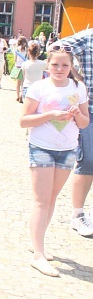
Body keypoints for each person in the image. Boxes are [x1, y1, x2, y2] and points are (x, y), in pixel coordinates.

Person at [19, 45, 89, 277]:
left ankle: (37, 242)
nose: (60, 69)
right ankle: (38, 255)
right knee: (41, 200)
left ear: (71, 67)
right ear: (47, 65)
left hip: (68, 149)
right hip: (42, 147)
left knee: (51, 198)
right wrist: (51, 115)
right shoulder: (39, 87)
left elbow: (85, 123)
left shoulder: (78, 87)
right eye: (55, 64)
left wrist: (76, 115)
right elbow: (24, 121)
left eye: (65, 65)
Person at [58, 30, 93, 236]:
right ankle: (78, 215)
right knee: (87, 160)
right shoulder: (88, 37)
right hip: (90, 108)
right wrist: (78, 78)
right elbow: (56, 47)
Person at [14, 37, 28, 103]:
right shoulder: (27, 49)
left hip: (18, 66)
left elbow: (15, 59)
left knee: (18, 83)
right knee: (23, 82)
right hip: (24, 66)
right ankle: (21, 96)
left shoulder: (17, 49)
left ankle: (17, 96)